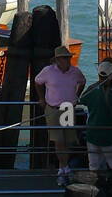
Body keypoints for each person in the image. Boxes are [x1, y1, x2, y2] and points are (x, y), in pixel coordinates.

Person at [33, 46, 86, 184]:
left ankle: (64, 167)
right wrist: (41, 98)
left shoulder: (75, 71)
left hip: (68, 108)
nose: (67, 60)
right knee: (59, 140)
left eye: (68, 57)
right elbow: (37, 82)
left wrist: (77, 95)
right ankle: (63, 167)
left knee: (67, 140)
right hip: (53, 108)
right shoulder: (48, 71)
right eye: (64, 58)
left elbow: (83, 81)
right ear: (57, 60)